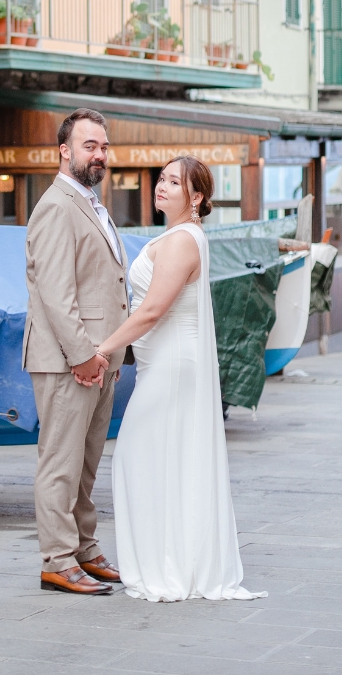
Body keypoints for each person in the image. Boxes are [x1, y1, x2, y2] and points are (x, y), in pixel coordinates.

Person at [97, 156, 266, 603]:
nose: (162, 186)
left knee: (140, 457)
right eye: (162, 179)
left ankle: (167, 566)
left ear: (197, 198)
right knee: (159, 462)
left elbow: (153, 311)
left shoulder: (180, 242)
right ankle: (171, 559)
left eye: (175, 182)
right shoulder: (177, 236)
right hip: (164, 363)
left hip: (172, 364)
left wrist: (102, 349)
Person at [23, 109, 128, 596]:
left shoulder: (92, 204)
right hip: (69, 363)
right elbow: (56, 293)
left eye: (103, 147)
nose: (99, 155)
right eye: (90, 146)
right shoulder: (56, 206)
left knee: (85, 465)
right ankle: (57, 561)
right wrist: (83, 355)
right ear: (64, 151)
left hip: (100, 361)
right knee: (60, 464)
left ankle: (84, 548)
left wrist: (107, 355)